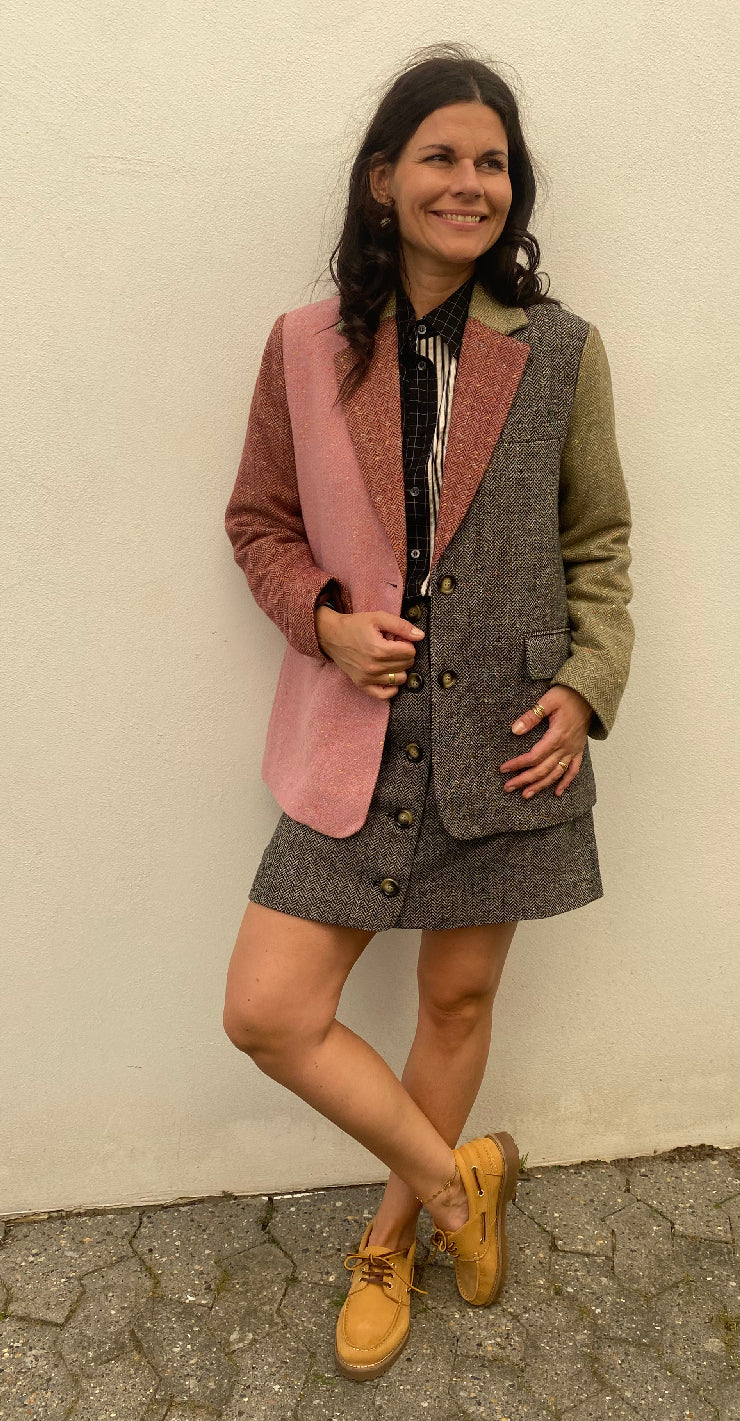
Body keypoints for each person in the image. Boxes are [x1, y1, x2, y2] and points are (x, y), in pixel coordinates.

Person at [222, 41, 634, 1383]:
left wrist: (585, 683)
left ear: (516, 188)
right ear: (383, 179)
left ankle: (391, 1238)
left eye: (492, 162)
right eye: (441, 156)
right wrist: (328, 621)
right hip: (353, 738)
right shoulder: (304, 349)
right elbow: (259, 522)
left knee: (457, 998)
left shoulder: (561, 352)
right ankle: (462, 1186)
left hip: (508, 743)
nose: (469, 182)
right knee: (270, 1008)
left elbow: (599, 543)